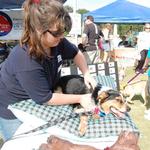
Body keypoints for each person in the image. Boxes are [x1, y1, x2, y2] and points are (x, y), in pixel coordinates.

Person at [0, 0, 96, 142]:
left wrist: (86, 73)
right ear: (39, 29)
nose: (62, 36)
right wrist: (81, 98)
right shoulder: (26, 59)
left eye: (64, 31)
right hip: (13, 109)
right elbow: (45, 98)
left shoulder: (57, 40)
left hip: (38, 99)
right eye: (57, 33)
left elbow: (76, 53)